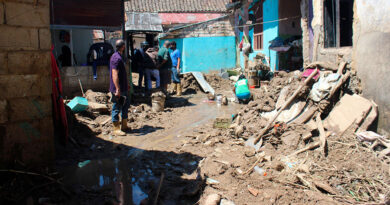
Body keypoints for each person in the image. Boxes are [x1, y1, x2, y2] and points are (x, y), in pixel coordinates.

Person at [109, 39, 130, 136]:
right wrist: (117, 89)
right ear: (123, 47)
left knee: (125, 106)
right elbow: (114, 74)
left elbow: (122, 73)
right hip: (118, 88)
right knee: (117, 107)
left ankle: (124, 125)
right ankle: (116, 128)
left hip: (123, 87)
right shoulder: (116, 58)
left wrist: (127, 84)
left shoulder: (119, 56)